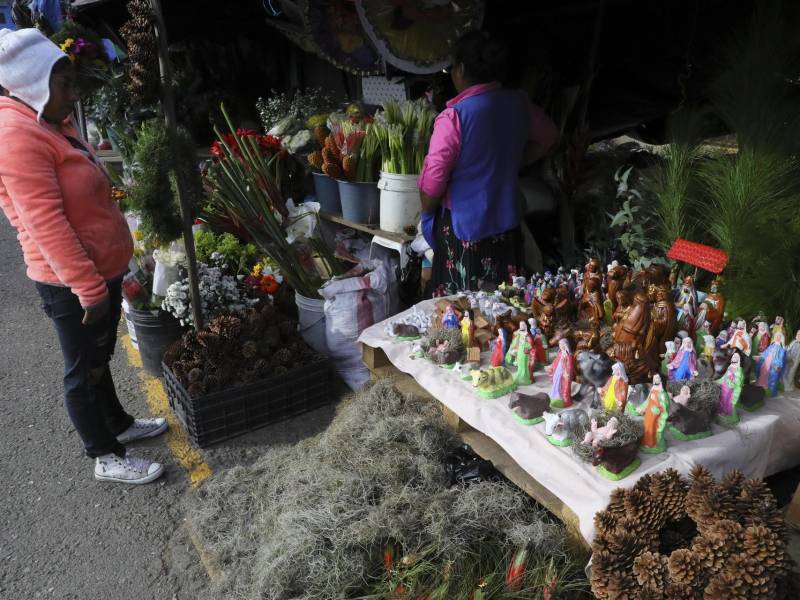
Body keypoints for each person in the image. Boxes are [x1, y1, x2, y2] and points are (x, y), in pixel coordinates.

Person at [0, 29, 167, 484]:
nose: (74, 96)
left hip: (97, 270)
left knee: (98, 361)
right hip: (70, 281)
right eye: (64, 86)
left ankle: (118, 424)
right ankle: (104, 454)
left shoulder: (50, 121)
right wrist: (90, 289)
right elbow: (45, 225)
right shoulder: (17, 135)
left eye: (74, 83)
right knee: (81, 370)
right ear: (34, 85)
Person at [419, 31, 557, 296]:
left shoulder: (454, 118)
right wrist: (512, 162)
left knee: (463, 315)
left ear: (459, 69)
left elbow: (431, 191)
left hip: (464, 237)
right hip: (506, 227)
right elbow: (550, 137)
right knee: (503, 308)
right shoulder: (519, 103)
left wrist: (426, 209)